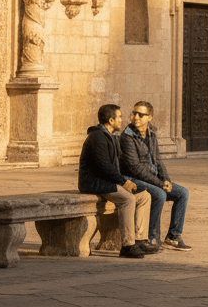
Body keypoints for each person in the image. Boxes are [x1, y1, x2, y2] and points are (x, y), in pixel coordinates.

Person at [79, 104, 154, 258]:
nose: (122, 119)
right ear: (111, 120)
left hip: (107, 182)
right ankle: (127, 245)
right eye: (119, 117)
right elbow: (104, 168)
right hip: (95, 184)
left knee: (144, 196)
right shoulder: (97, 137)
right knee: (127, 199)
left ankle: (140, 240)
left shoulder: (110, 136)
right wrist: (124, 182)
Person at [120, 101, 192, 251]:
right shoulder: (127, 137)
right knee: (159, 194)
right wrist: (160, 184)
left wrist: (167, 180)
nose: (136, 117)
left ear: (150, 117)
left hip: (153, 179)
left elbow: (158, 161)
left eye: (141, 114)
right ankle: (150, 237)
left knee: (182, 193)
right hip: (133, 179)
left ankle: (173, 237)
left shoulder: (152, 135)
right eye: (134, 113)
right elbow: (134, 167)